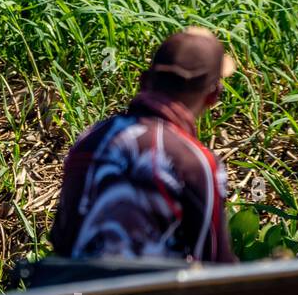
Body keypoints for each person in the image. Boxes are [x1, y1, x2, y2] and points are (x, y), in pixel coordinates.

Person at [50, 27, 238, 264]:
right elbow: (214, 262)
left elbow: (63, 239)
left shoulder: (90, 141)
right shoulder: (193, 162)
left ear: (143, 81)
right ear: (214, 96)